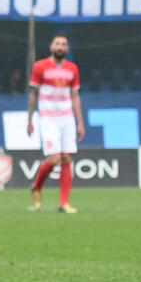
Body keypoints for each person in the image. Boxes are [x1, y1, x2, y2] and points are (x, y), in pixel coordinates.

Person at [27, 33, 84, 214]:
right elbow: (33, 93)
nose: (60, 47)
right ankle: (37, 187)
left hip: (66, 117)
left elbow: (75, 96)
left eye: (64, 44)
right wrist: (29, 119)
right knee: (54, 158)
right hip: (48, 117)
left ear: (67, 48)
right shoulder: (40, 66)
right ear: (51, 46)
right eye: (57, 44)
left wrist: (80, 122)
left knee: (67, 157)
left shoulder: (72, 69)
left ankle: (63, 203)